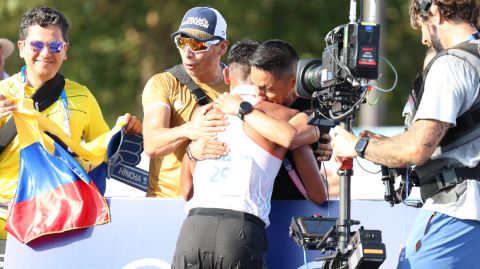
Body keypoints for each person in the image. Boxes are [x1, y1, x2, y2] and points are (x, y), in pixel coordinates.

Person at [331, 0, 480, 268]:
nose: (424, 39)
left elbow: (416, 149)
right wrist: (385, 144)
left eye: (422, 26)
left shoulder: (450, 65)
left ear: (435, 13)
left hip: (459, 212)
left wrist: (358, 146)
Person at [173, 38, 326, 269]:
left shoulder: (205, 114)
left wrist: (191, 153)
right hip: (241, 231)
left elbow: (186, 191)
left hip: (192, 228)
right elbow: (318, 193)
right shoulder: (287, 117)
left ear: (227, 76)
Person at [0, 6, 141, 245]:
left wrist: (127, 132)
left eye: (55, 46)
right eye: (36, 45)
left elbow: (103, 153)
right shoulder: (2, 93)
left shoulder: (82, 96)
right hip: (5, 217)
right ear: (22, 48)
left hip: (59, 219)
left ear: (65, 51)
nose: (46, 53)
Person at [210, 39, 333, 201]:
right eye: (254, 84)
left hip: (295, 206)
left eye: (267, 88)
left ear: (293, 82)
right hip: (253, 206)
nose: (258, 95)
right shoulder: (252, 104)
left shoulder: (318, 105)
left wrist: (242, 110)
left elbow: (291, 137)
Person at [142, 6, 230, 198]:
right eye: (182, 42)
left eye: (198, 45)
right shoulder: (163, 82)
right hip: (167, 204)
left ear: (222, 47)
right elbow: (151, 144)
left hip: (222, 205)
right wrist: (190, 129)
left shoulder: (240, 85)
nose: (188, 53)